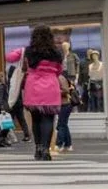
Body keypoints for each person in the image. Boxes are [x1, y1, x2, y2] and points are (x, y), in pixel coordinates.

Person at [23, 25, 64, 161]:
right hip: (50, 85)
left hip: (33, 85)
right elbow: (59, 70)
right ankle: (46, 150)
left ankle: (38, 148)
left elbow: (26, 67)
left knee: (36, 118)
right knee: (48, 118)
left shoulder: (29, 51)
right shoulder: (56, 52)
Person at [5, 48, 32, 143]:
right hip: (19, 102)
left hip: (13, 102)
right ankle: (27, 135)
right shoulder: (19, 80)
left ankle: (9, 136)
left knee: (9, 120)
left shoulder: (12, 82)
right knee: (21, 120)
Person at [56, 73, 77, 153]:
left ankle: (59, 144)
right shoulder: (59, 77)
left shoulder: (60, 78)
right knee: (63, 125)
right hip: (63, 104)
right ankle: (68, 145)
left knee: (61, 125)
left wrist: (54, 91)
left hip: (65, 104)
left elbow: (66, 90)